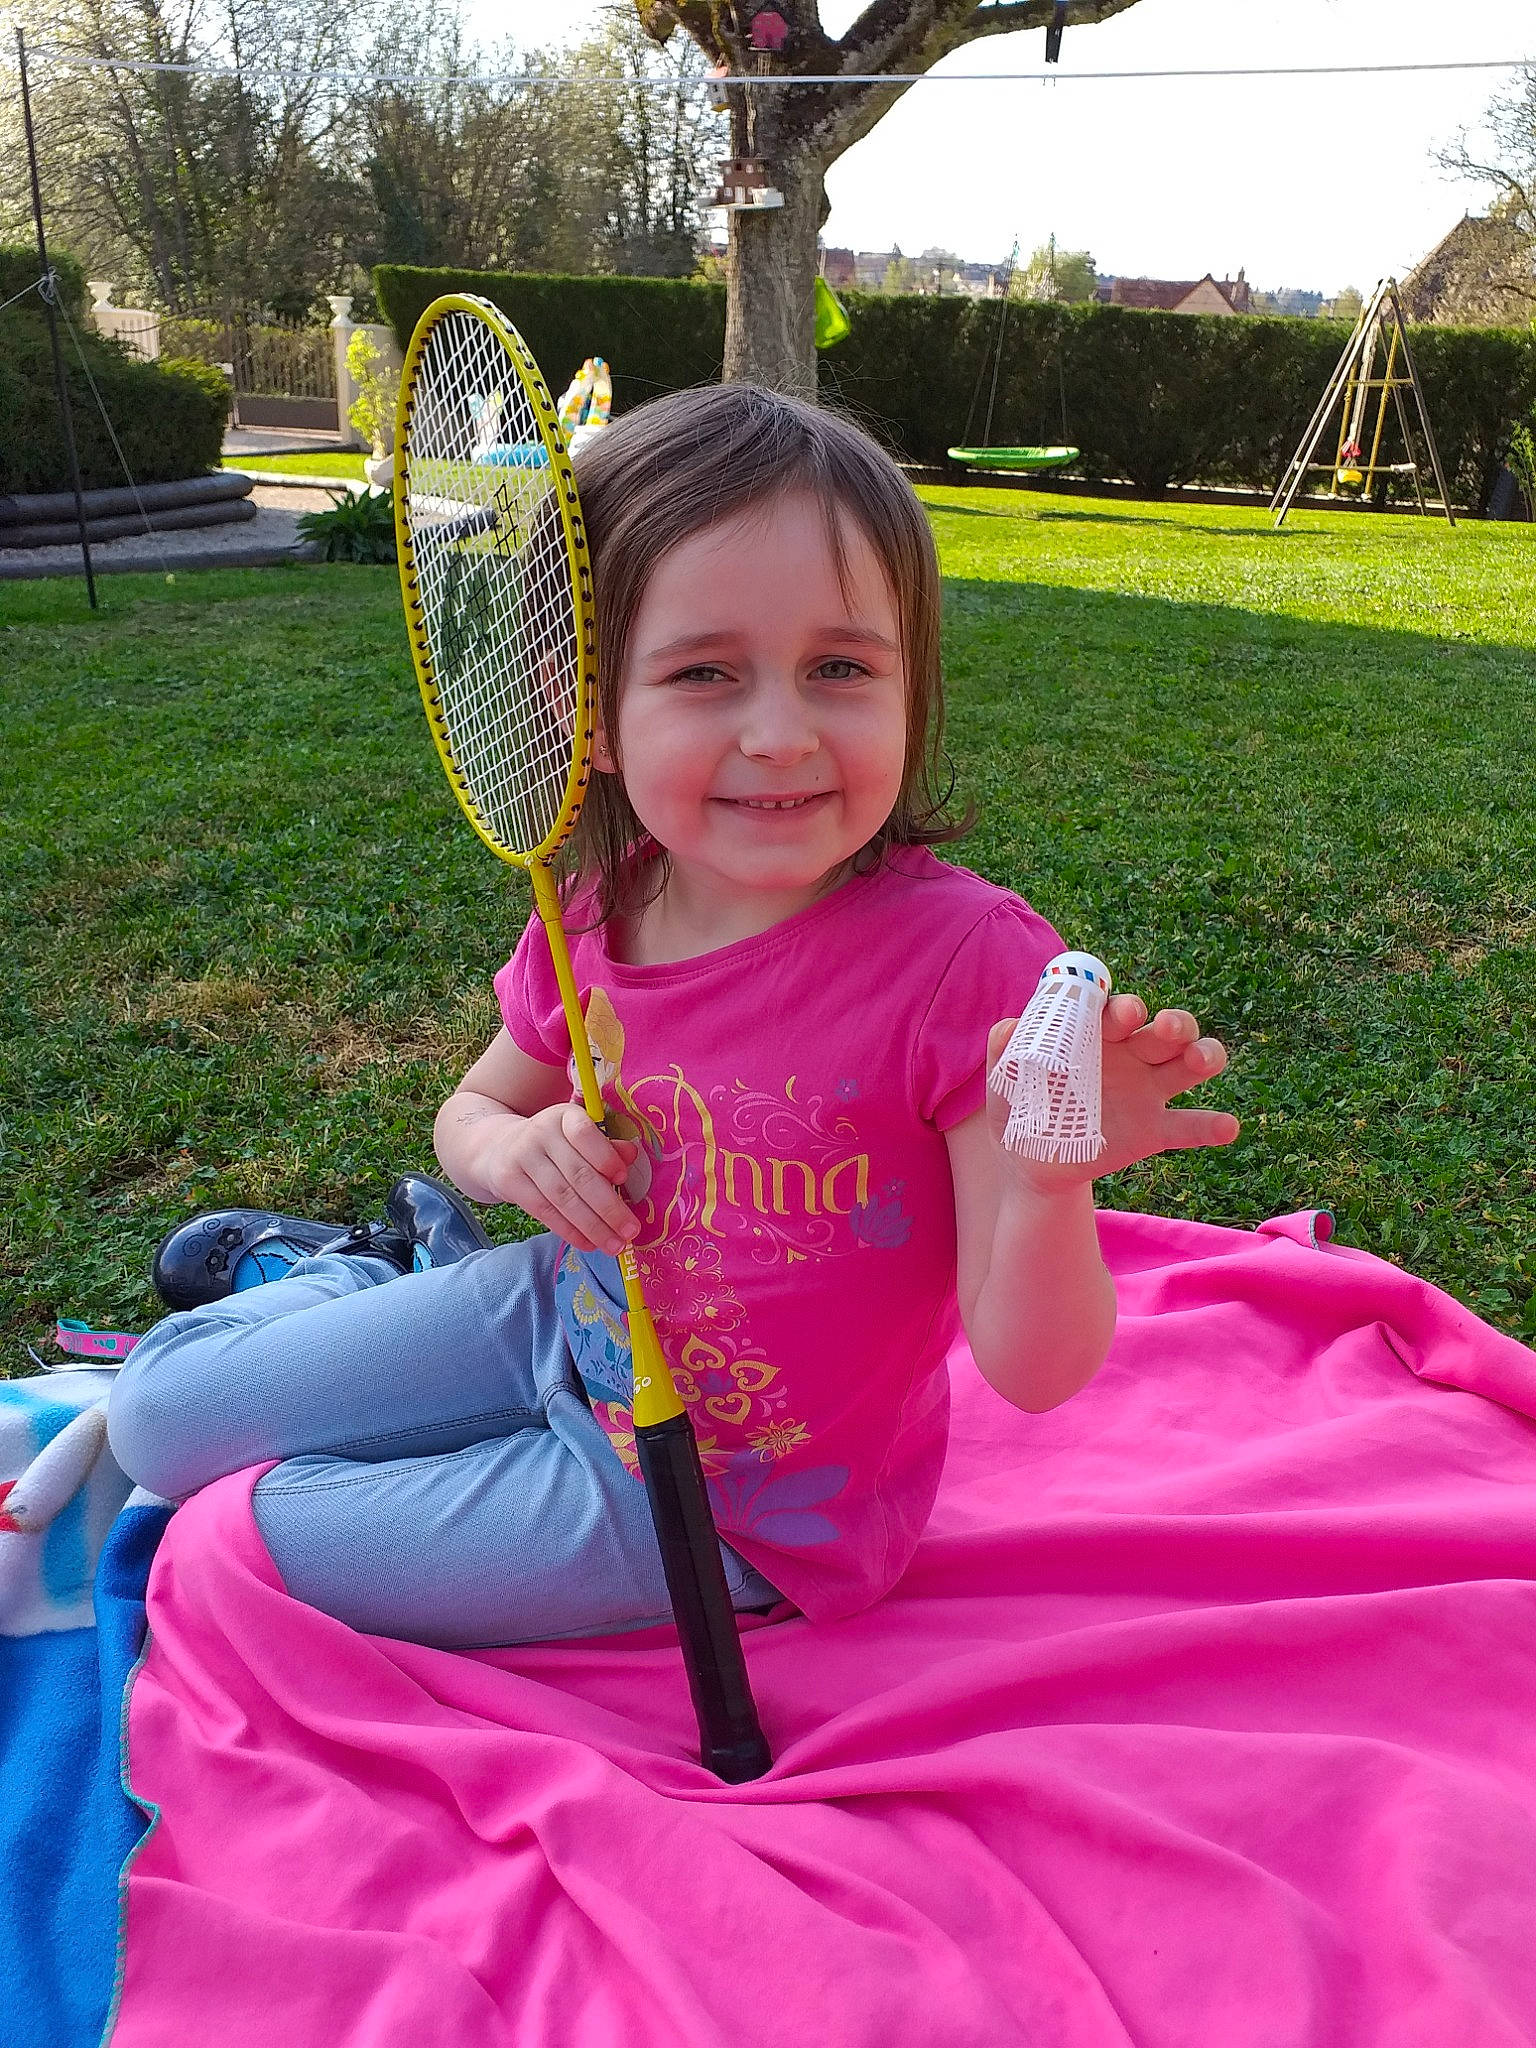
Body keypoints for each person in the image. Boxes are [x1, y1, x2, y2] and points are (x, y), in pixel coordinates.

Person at [108, 384, 1238, 1651]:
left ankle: (376, 1295)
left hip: (722, 1513)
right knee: (150, 1417)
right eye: (705, 671)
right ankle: (367, 1270)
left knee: (225, 1540)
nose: (780, 731)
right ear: (589, 714)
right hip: (549, 1312)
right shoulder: (599, 905)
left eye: (841, 667)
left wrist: (1046, 1189)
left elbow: (1038, 1370)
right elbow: (472, 1109)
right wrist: (502, 1153)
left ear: (910, 686)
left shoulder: (968, 969)